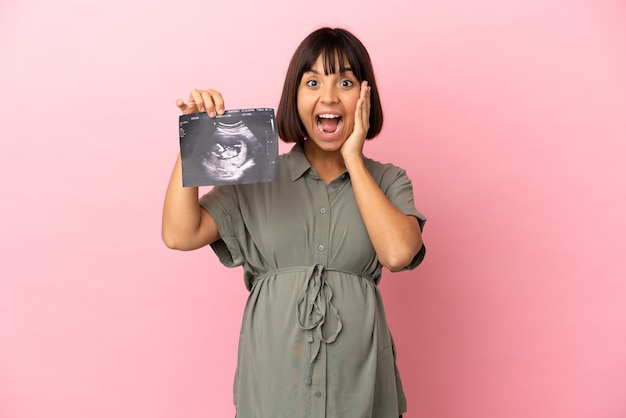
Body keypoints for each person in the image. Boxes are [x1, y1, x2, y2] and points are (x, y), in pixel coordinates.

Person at [162, 27, 426, 418]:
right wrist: (196, 139)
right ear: (294, 96)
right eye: (313, 82)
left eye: (347, 82)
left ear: (365, 96)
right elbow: (179, 234)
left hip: (358, 390)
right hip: (273, 388)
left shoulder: (388, 181)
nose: (330, 96)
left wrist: (354, 158)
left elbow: (399, 252)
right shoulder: (257, 175)